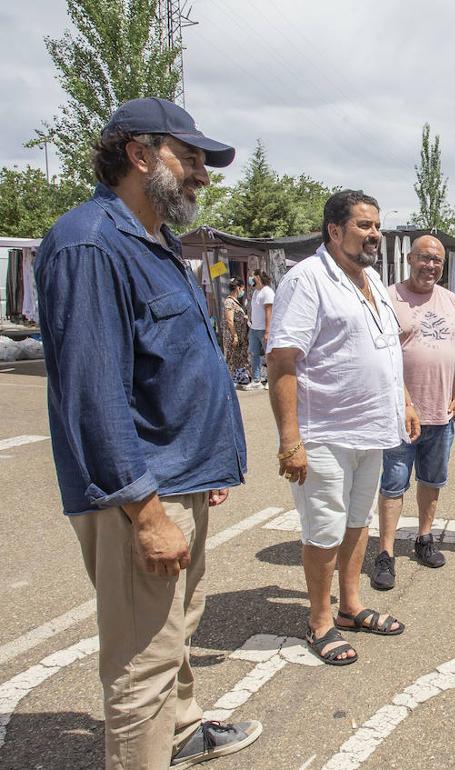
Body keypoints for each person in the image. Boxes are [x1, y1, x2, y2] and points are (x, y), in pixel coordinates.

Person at [35, 97, 260, 769]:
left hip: (180, 478)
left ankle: (184, 734)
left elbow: (167, 368)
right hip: (143, 495)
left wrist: (207, 465)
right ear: (139, 155)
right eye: (189, 158)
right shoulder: (89, 243)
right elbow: (93, 394)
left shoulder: (157, 241)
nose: (202, 174)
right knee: (143, 668)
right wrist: (146, 508)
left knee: (174, 634)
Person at [266, 190, 419, 665]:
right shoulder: (307, 279)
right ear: (334, 230)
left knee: (358, 523)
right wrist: (291, 440)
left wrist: (406, 401)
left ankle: (350, 606)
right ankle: (319, 621)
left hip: (372, 429)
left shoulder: (371, 277)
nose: (375, 234)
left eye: (377, 226)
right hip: (326, 432)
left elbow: (386, 350)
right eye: (364, 225)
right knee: (324, 531)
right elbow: (283, 360)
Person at [371, 235, 455, 589]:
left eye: (437, 261)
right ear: (410, 258)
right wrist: (403, 403)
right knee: (393, 484)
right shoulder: (387, 297)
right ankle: (385, 552)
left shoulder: (452, 301)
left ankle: (424, 538)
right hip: (399, 415)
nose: (430, 266)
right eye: (424, 258)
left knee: (432, 481)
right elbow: (380, 356)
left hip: (441, 414)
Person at [245, 270, 274, 389]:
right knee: (254, 354)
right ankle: (256, 380)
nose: (250, 278)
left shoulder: (267, 292)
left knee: (269, 355)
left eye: (252, 276)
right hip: (254, 328)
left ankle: (271, 380)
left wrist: (268, 331)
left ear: (258, 277)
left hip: (264, 329)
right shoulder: (256, 291)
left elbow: (269, 312)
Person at [222, 277, 251, 386]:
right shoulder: (229, 302)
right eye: (242, 288)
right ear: (238, 288)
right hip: (233, 336)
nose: (243, 291)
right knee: (232, 357)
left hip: (239, 336)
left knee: (239, 357)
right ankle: (230, 381)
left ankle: (240, 378)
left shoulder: (236, 302)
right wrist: (235, 336)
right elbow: (229, 320)